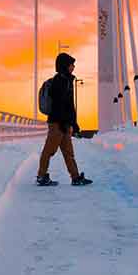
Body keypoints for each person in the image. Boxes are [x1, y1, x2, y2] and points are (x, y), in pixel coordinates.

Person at [36, 52, 93, 186]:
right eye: (71, 64)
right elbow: (58, 105)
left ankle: (75, 177)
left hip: (64, 124)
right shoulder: (58, 82)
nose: (73, 67)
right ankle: (41, 176)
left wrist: (74, 124)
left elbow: (69, 106)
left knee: (69, 153)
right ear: (64, 66)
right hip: (56, 123)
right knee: (49, 151)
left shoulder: (67, 81)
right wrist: (62, 122)